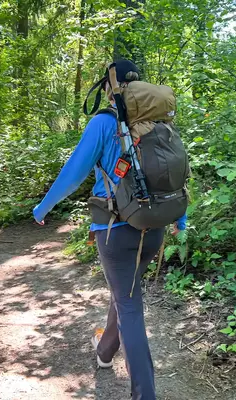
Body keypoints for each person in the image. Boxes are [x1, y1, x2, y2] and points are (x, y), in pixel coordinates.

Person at [32, 59, 186, 400]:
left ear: (108, 87)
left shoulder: (104, 123)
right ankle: (104, 352)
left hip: (114, 229)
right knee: (126, 291)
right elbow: (174, 176)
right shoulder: (159, 123)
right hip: (154, 226)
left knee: (129, 303)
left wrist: (43, 208)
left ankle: (145, 394)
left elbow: (74, 173)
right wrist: (180, 220)